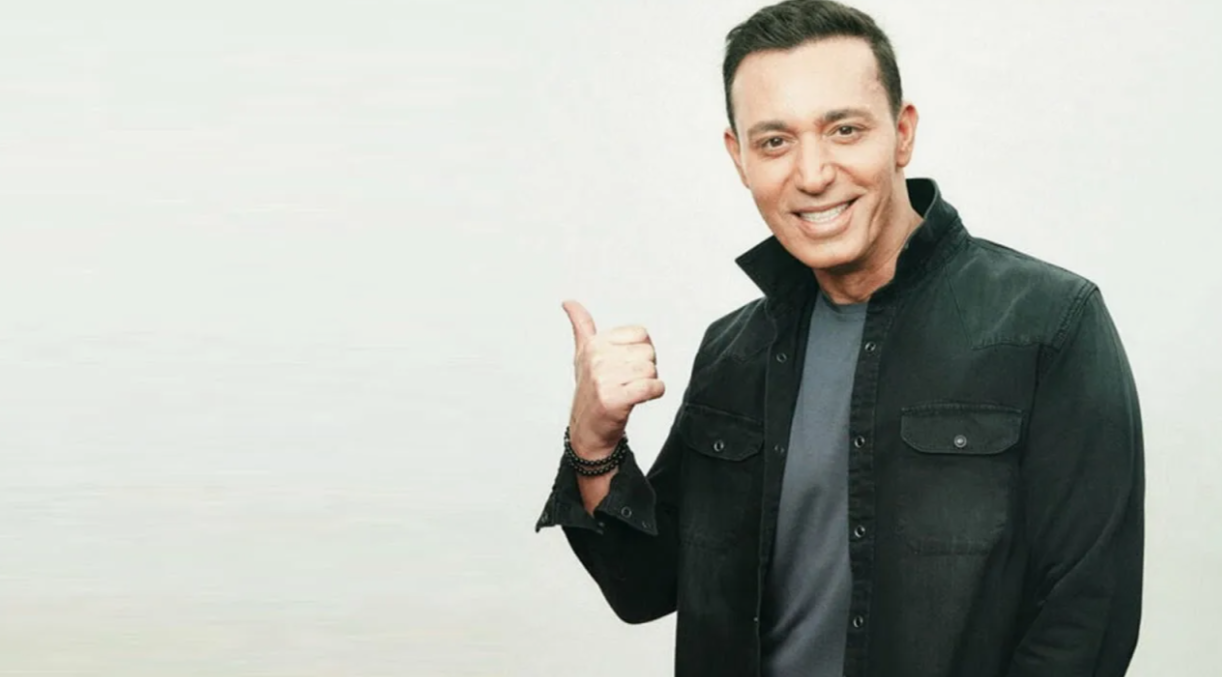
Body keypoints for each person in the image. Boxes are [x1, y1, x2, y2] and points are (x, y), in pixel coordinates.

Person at [534, 1, 1145, 675]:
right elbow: (645, 586)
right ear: (739, 158)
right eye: (775, 142)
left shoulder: (1049, 326)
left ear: (902, 134)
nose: (813, 173)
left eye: (844, 130)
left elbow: (1086, 620)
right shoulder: (732, 351)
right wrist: (594, 442)